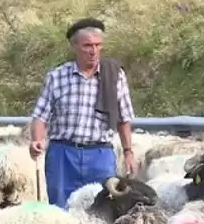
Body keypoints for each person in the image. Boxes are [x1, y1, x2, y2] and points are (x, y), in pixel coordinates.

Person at [28, 17, 136, 209]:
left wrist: (128, 152)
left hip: (100, 153)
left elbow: (123, 118)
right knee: (60, 209)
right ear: (74, 46)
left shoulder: (114, 76)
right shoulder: (57, 76)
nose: (93, 51)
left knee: (102, 209)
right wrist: (37, 140)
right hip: (63, 155)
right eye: (87, 45)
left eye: (97, 45)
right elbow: (40, 115)